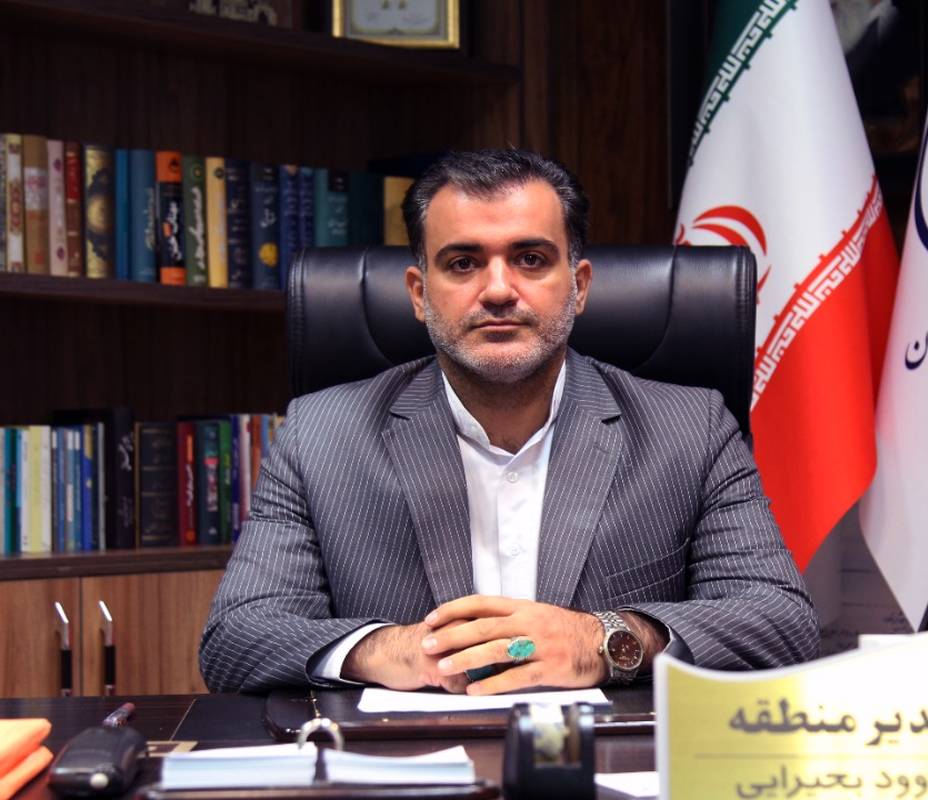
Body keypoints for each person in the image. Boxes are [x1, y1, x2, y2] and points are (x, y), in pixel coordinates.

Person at [200, 149, 819, 694]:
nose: (498, 290)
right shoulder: (321, 435)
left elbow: (780, 621)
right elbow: (235, 638)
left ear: (579, 286)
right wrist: (386, 650)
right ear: (418, 293)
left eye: (530, 258)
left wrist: (603, 641)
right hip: (406, 764)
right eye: (462, 263)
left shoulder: (689, 429)